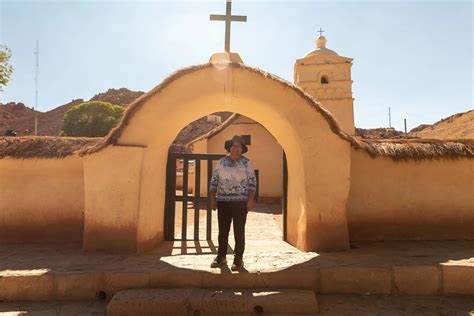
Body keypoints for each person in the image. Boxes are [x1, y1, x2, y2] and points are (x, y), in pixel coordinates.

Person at [209, 135, 256, 270]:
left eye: (239, 147)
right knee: (223, 231)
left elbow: (252, 182)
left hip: (241, 203)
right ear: (229, 148)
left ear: (242, 149)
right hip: (223, 201)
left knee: (239, 231)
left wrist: (251, 200)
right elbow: (214, 180)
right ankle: (221, 257)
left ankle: (238, 259)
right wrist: (213, 198)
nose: (236, 149)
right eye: (233, 146)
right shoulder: (221, 162)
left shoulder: (246, 163)